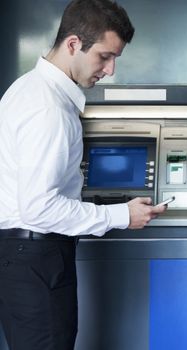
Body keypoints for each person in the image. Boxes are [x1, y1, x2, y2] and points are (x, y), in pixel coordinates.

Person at [0, 1, 166, 349]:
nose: (110, 70)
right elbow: (38, 208)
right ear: (73, 44)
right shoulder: (48, 109)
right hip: (37, 259)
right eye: (104, 56)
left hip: (26, 257)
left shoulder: (27, 88)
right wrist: (121, 215)